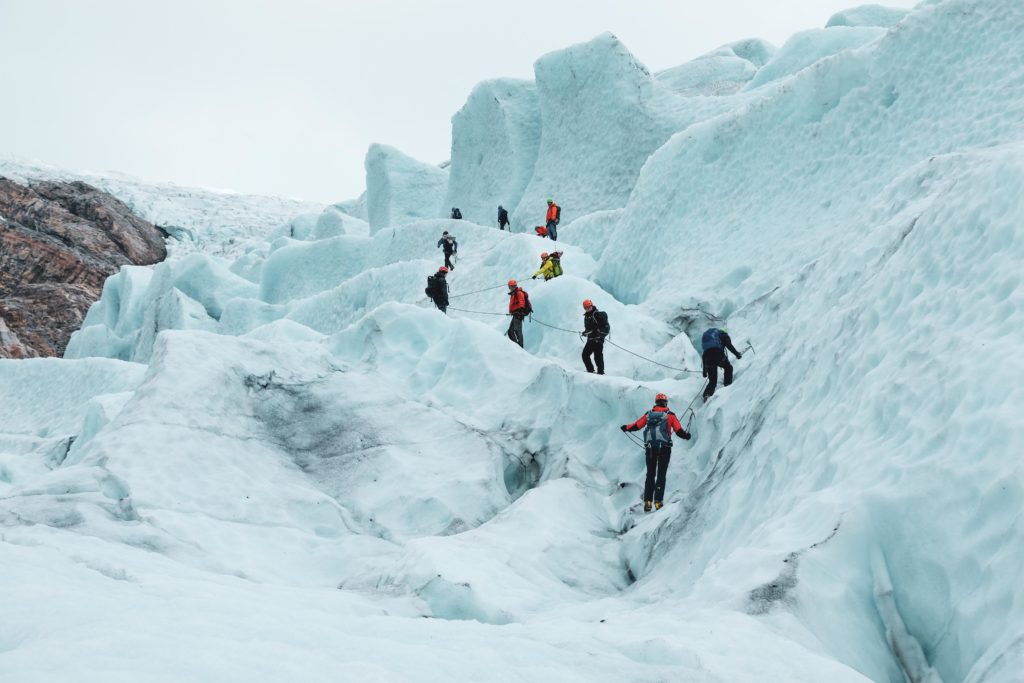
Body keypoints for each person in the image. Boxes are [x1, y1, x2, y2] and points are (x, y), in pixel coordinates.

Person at [621, 393, 691, 512]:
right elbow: (678, 431)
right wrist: (687, 436)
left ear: (656, 402)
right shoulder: (670, 415)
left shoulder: (649, 414)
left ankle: (648, 502)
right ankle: (658, 502)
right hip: (664, 448)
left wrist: (626, 427)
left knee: (650, 474)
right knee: (661, 474)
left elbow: (637, 425)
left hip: (650, 448)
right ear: (666, 403)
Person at [701, 327, 742, 402]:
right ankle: (727, 387)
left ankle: (707, 395)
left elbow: (704, 355)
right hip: (718, 355)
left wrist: (704, 370)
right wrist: (737, 354)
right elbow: (729, 345)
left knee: (712, 381)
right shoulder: (723, 335)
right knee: (728, 368)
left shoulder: (712, 338)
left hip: (708, 359)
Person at [581, 299, 609, 374]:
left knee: (597, 356)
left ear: (591, 305)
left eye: (588, 307)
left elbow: (603, 326)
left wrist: (599, 334)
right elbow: (589, 329)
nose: (587, 308)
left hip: (598, 339)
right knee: (585, 355)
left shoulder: (597, 315)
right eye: (586, 307)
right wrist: (585, 333)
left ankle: (600, 372)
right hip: (590, 339)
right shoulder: (587, 317)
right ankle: (590, 370)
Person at [506, 279, 532, 348]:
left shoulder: (518, 293)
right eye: (511, 286)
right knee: (511, 331)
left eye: (512, 286)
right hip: (516, 314)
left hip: (518, 314)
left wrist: (520, 311)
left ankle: (519, 347)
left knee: (516, 331)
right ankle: (517, 346)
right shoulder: (514, 293)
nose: (511, 287)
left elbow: (521, 302)